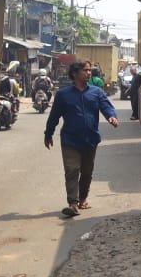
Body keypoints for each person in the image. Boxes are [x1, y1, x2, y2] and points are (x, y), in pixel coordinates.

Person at [43, 60, 119, 217]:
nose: (89, 73)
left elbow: (106, 107)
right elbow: (54, 116)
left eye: (90, 70)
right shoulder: (63, 95)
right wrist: (48, 134)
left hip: (90, 139)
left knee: (86, 172)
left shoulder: (96, 92)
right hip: (70, 140)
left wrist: (111, 117)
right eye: (85, 70)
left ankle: (83, 198)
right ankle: (72, 203)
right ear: (75, 73)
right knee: (72, 170)